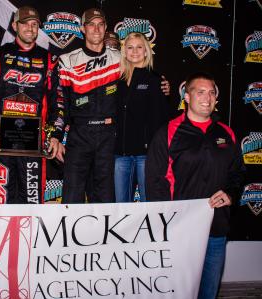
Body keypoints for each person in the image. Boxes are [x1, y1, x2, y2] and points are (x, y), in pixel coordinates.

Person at [145, 72, 245, 299]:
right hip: (181, 231)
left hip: (217, 229)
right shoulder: (168, 132)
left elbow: (237, 173)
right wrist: (167, 224)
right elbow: (155, 181)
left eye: (212, 93)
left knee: (208, 293)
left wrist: (230, 193)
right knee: (178, 293)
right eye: (200, 92)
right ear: (187, 97)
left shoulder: (226, 133)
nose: (207, 98)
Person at [0, 6, 64, 204]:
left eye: (34, 24)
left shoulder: (49, 59)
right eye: (25, 23)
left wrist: (55, 136)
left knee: (31, 203)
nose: (30, 28)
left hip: (33, 145)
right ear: (14, 25)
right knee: (1, 201)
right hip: (2, 143)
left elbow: (58, 101)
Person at [57, 8, 121, 203]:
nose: (96, 29)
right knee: (72, 197)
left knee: (105, 198)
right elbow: (60, 103)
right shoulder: (67, 60)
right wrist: (57, 137)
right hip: (79, 135)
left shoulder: (119, 58)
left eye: (100, 24)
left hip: (108, 135)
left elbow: (141, 82)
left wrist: (160, 83)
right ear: (83, 29)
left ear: (106, 27)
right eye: (91, 24)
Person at [114, 32, 169, 202]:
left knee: (149, 206)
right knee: (121, 208)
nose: (135, 51)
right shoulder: (118, 81)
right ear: (125, 52)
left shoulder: (156, 79)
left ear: (146, 51)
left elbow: (161, 119)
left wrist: (154, 151)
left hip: (146, 155)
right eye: (130, 47)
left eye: (139, 47)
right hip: (121, 155)